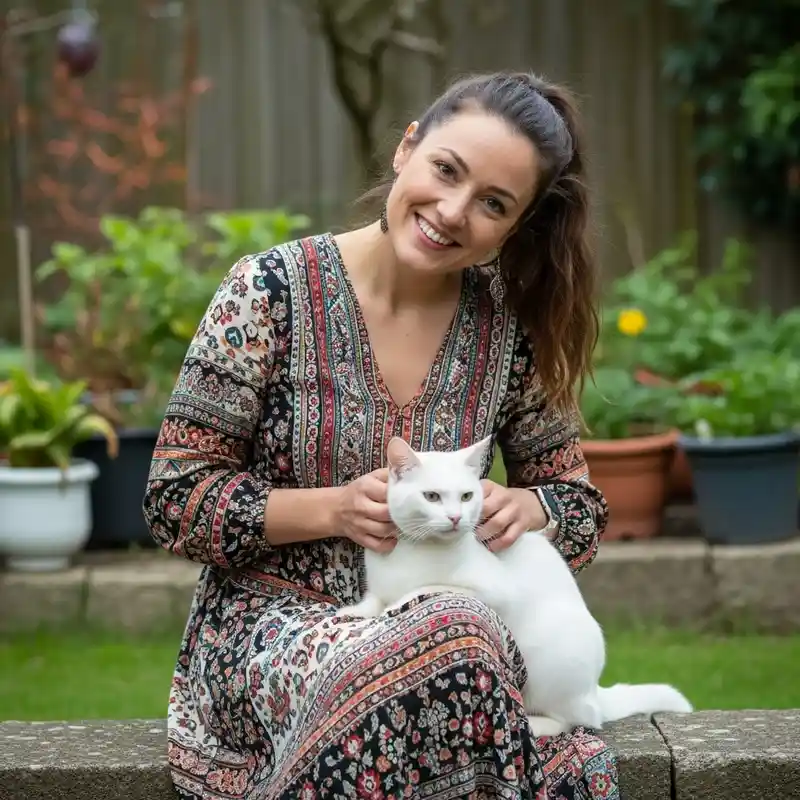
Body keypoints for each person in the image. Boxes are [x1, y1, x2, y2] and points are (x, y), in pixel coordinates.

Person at [143, 71, 617, 799]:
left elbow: (579, 510)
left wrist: (534, 509)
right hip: (272, 633)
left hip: (464, 646)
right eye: (446, 170)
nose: (453, 211)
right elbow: (174, 499)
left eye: (493, 203)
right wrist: (331, 509)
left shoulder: (507, 329)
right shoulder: (268, 292)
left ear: (515, 226)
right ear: (407, 149)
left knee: (555, 742)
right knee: (444, 648)